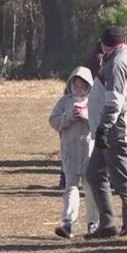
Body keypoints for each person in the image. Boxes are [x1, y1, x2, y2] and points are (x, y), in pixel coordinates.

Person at [86, 26, 127, 239]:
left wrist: (103, 129)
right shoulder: (122, 60)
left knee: (122, 177)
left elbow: (114, 101)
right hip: (113, 128)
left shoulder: (118, 63)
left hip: (115, 129)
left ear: (105, 44)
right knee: (95, 173)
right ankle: (108, 224)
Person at [49, 66, 98, 238]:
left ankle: (93, 223)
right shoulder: (64, 102)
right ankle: (68, 222)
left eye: (82, 86)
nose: (79, 89)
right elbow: (53, 121)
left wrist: (86, 118)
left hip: (89, 153)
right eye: (76, 85)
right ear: (71, 85)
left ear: (88, 87)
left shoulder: (94, 102)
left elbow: (100, 125)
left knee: (91, 189)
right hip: (70, 153)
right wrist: (68, 117)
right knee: (71, 188)